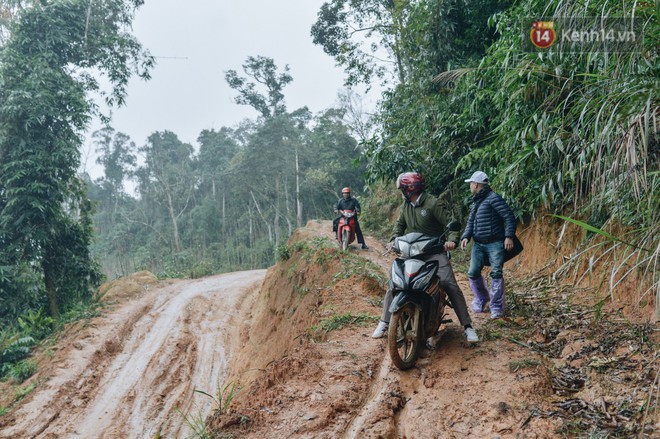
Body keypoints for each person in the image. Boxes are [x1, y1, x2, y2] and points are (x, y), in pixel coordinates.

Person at [371, 172, 479, 344]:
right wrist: (393, 240)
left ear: (410, 189)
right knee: (395, 283)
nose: (401, 192)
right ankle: (385, 322)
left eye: (402, 189)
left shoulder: (433, 203)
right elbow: (399, 226)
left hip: (434, 253)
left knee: (450, 285)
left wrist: (451, 241)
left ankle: (467, 327)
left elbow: (451, 224)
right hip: (410, 253)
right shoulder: (406, 204)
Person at [460, 171, 516, 319]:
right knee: (473, 272)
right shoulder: (476, 201)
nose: (470, 186)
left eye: (471, 183)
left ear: (476, 185)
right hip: (478, 244)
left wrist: (508, 236)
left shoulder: (493, 198)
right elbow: (471, 221)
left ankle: (496, 306)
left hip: (495, 243)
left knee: (496, 273)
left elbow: (509, 216)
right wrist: (466, 236)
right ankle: (482, 298)